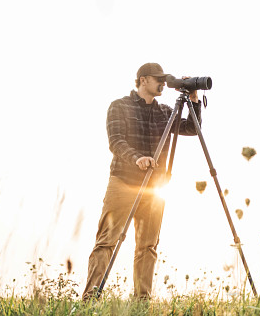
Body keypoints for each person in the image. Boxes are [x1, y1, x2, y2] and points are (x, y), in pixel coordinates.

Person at [82, 62, 202, 300]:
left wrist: (195, 101)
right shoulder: (119, 106)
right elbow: (115, 142)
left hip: (155, 188)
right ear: (143, 80)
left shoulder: (165, 111)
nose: (163, 84)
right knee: (107, 241)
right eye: (158, 79)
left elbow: (191, 129)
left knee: (148, 246)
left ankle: (142, 301)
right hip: (123, 182)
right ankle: (90, 299)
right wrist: (137, 158)